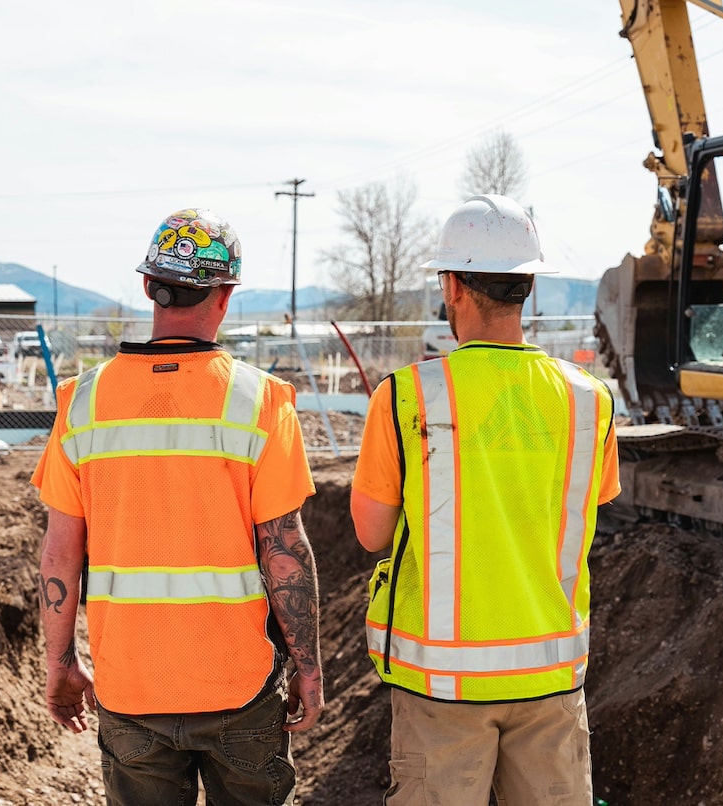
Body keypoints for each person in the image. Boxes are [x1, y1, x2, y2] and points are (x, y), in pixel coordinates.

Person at [32, 207, 323, 806]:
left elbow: (60, 553)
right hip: (239, 688)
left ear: (148, 286)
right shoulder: (261, 401)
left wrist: (57, 664)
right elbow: (284, 548)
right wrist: (309, 668)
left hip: (130, 690)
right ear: (226, 294)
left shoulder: (81, 403)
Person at [350, 195, 620, 805]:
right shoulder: (590, 401)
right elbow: (582, 509)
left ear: (452, 286)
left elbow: (371, 533)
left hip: (443, 687)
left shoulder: (406, 396)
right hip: (550, 680)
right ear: (528, 285)